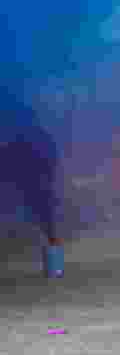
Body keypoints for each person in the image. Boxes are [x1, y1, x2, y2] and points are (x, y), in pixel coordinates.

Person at [0, 88, 65, 278]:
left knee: (46, 221)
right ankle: (54, 267)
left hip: (34, 179)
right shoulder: (35, 134)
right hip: (34, 179)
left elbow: (48, 158)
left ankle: (54, 266)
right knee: (47, 221)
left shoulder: (26, 137)